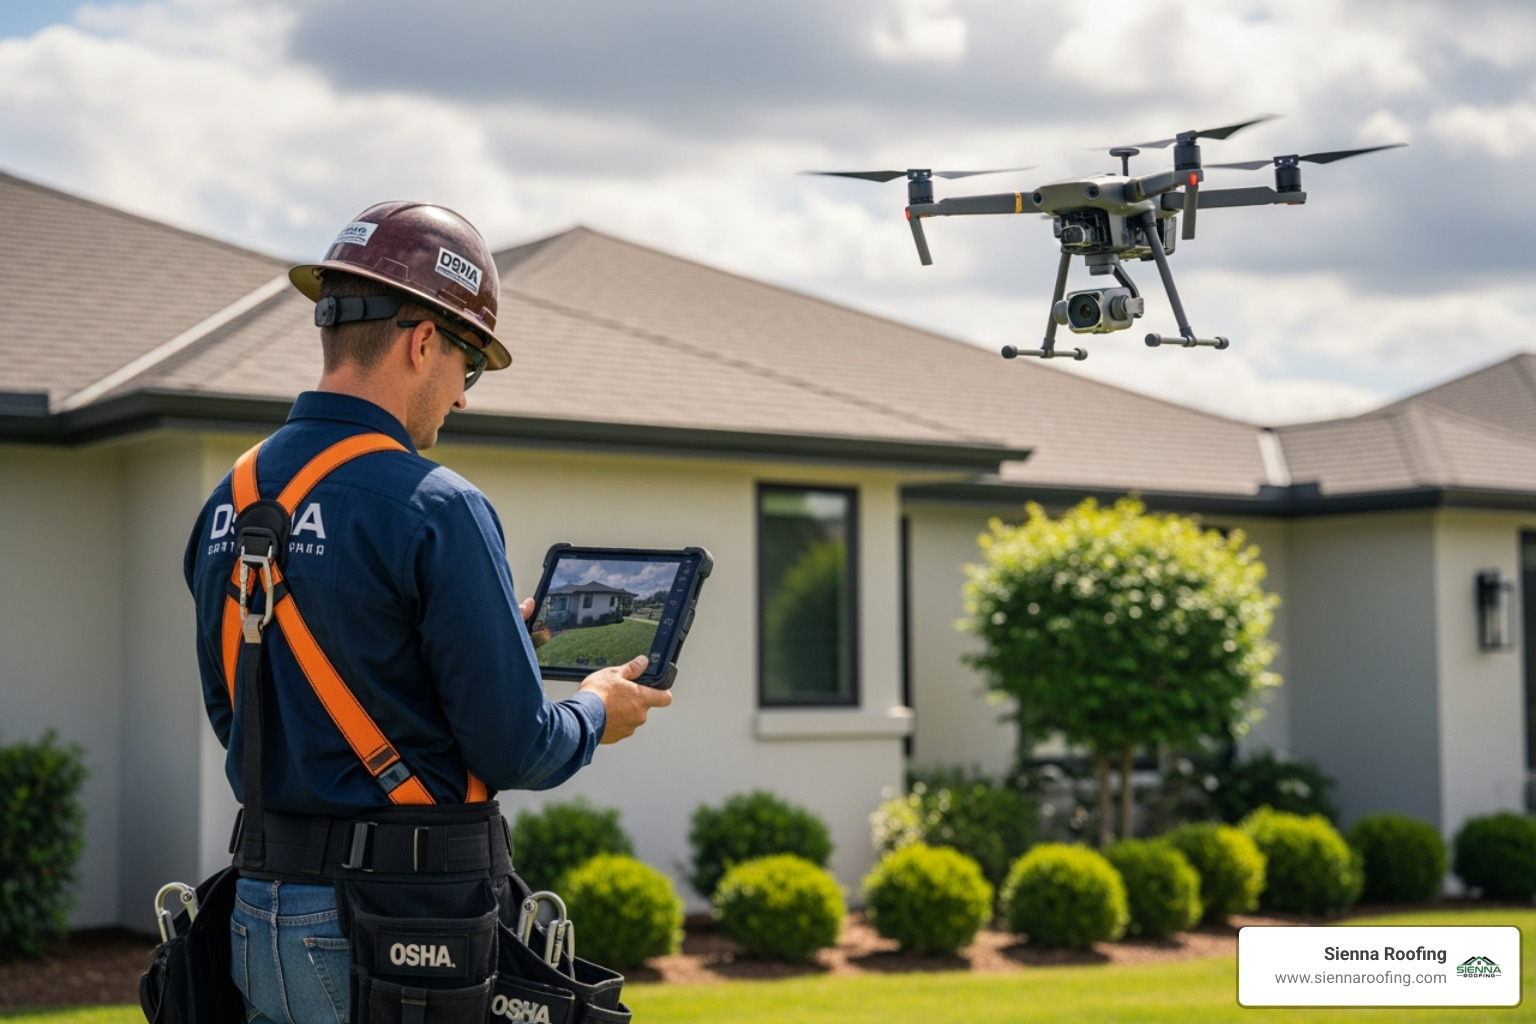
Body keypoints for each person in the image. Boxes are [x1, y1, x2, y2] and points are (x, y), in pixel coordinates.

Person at [183, 201, 671, 1024]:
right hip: (391, 932)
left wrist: (482, 646)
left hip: (255, 919)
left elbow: (245, 711)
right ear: (421, 342)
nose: (464, 399)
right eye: (469, 368)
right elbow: (521, 747)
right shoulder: (436, 506)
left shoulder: (228, 503)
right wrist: (596, 709)